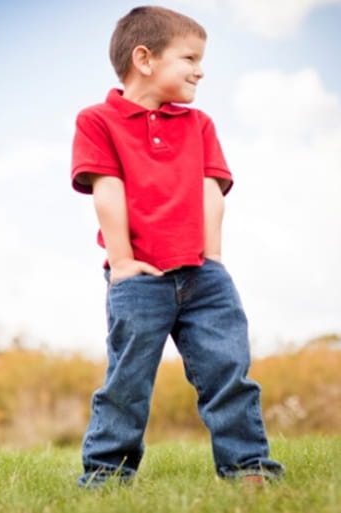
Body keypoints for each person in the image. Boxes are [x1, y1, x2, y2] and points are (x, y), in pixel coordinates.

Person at [71, 5, 284, 488]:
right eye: (189, 58)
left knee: (229, 373)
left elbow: (213, 191)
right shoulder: (98, 120)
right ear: (145, 59)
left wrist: (212, 258)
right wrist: (122, 261)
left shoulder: (199, 124)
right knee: (127, 384)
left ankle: (247, 467)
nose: (200, 69)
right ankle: (106, 474)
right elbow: (108, 189)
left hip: (203, 275)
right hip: (139, 279)